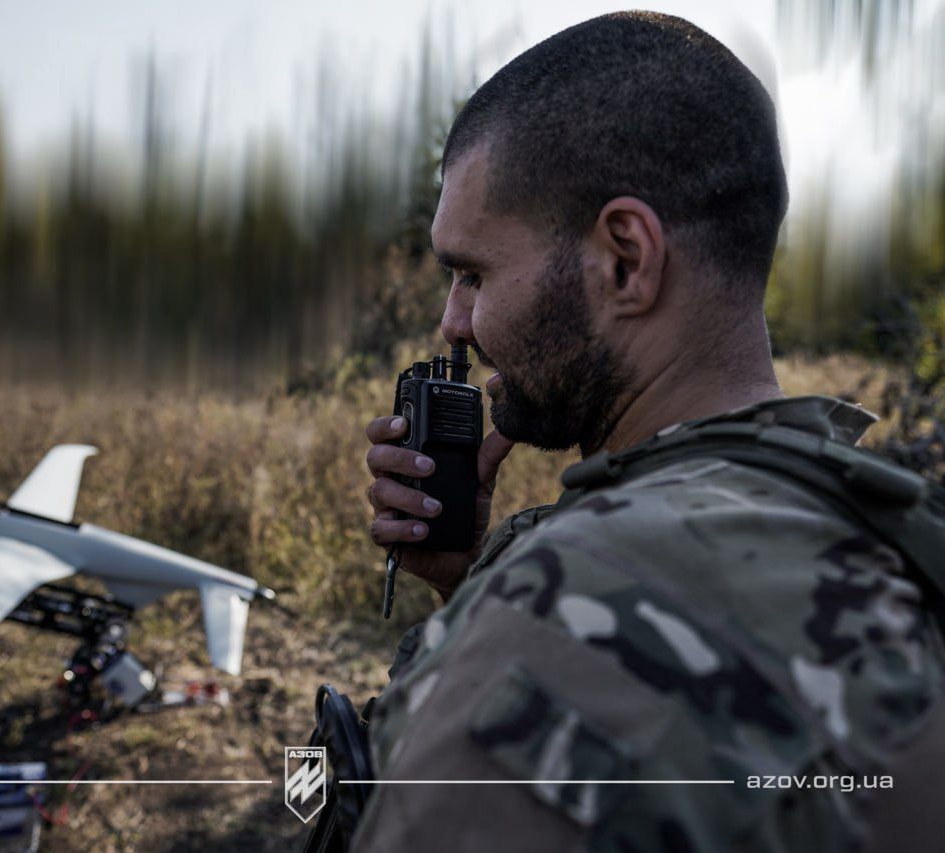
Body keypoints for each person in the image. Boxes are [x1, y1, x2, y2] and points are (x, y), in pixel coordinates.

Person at [357, 11, 945, 852]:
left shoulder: (565, 615)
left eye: (473, 273)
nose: (455, 322)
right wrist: (473, 582)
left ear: (625, 259)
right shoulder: (884, 534)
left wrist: (511, 616)